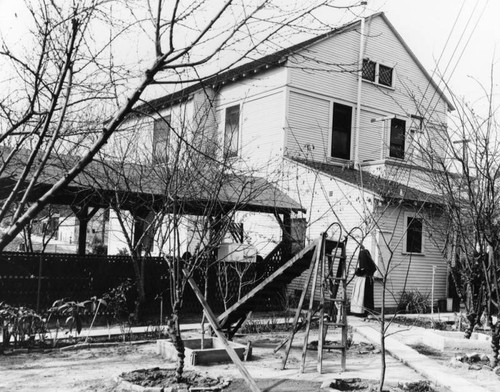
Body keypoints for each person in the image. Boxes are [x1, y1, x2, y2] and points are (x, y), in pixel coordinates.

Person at [350, 245, 376, 316]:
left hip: (365, 281)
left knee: (365, 297)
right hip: (366, 280)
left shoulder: (365, 258)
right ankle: (365, 312)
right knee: (366, 297)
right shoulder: (370, 263)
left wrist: (356, 272)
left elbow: (363, 270)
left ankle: (366, 312)